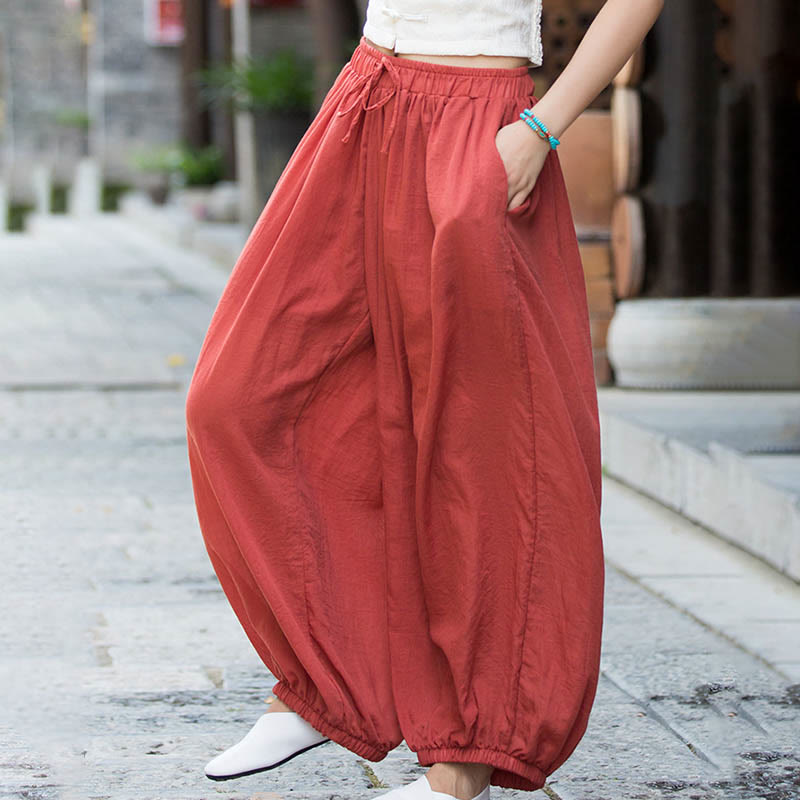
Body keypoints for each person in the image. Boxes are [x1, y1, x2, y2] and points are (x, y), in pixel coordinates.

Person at [184, 1, 664, 798]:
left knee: (484, 449)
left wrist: (542, 130)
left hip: (483, 123)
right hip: (367, 99)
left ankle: (466, 756)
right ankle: (326, 683)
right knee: (236, 396)